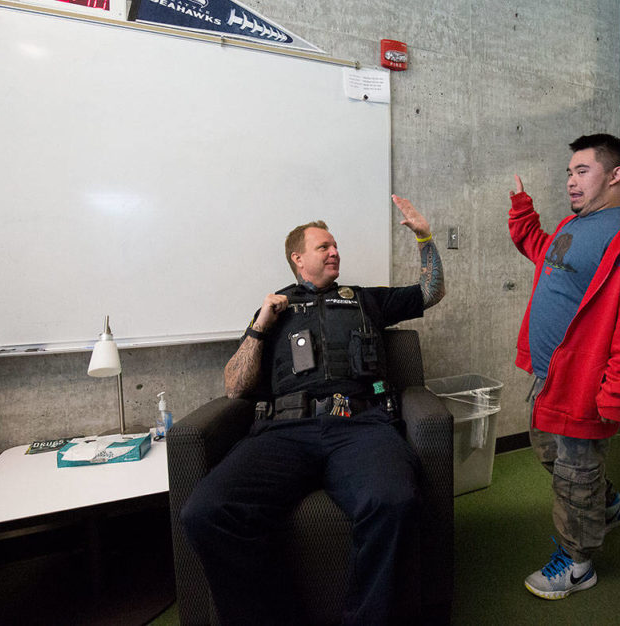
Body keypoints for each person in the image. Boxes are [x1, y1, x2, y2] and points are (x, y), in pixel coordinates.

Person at [181, 195, 445, 625]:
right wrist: (259, 325)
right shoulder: (273, 309)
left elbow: (432, 292)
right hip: (285, 431)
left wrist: (424, 235)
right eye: (324, 246)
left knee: (394, 500)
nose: (335, 251)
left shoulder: (364, 299)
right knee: (206, 511)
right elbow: (235, 386)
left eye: (335, 245)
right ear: (297, 258)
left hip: (361, 426)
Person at [508, 133, 620, 600]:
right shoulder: (570, 226)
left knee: (575, 472)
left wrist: (616, 393)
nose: (571, 182)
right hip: (549, 374)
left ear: (616, 175)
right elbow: (541, 249)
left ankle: (578, 564)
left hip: (586, 382)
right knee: (547, 449)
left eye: (582, 172)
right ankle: (609, 505)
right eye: (569, 173)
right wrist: (522, 210)